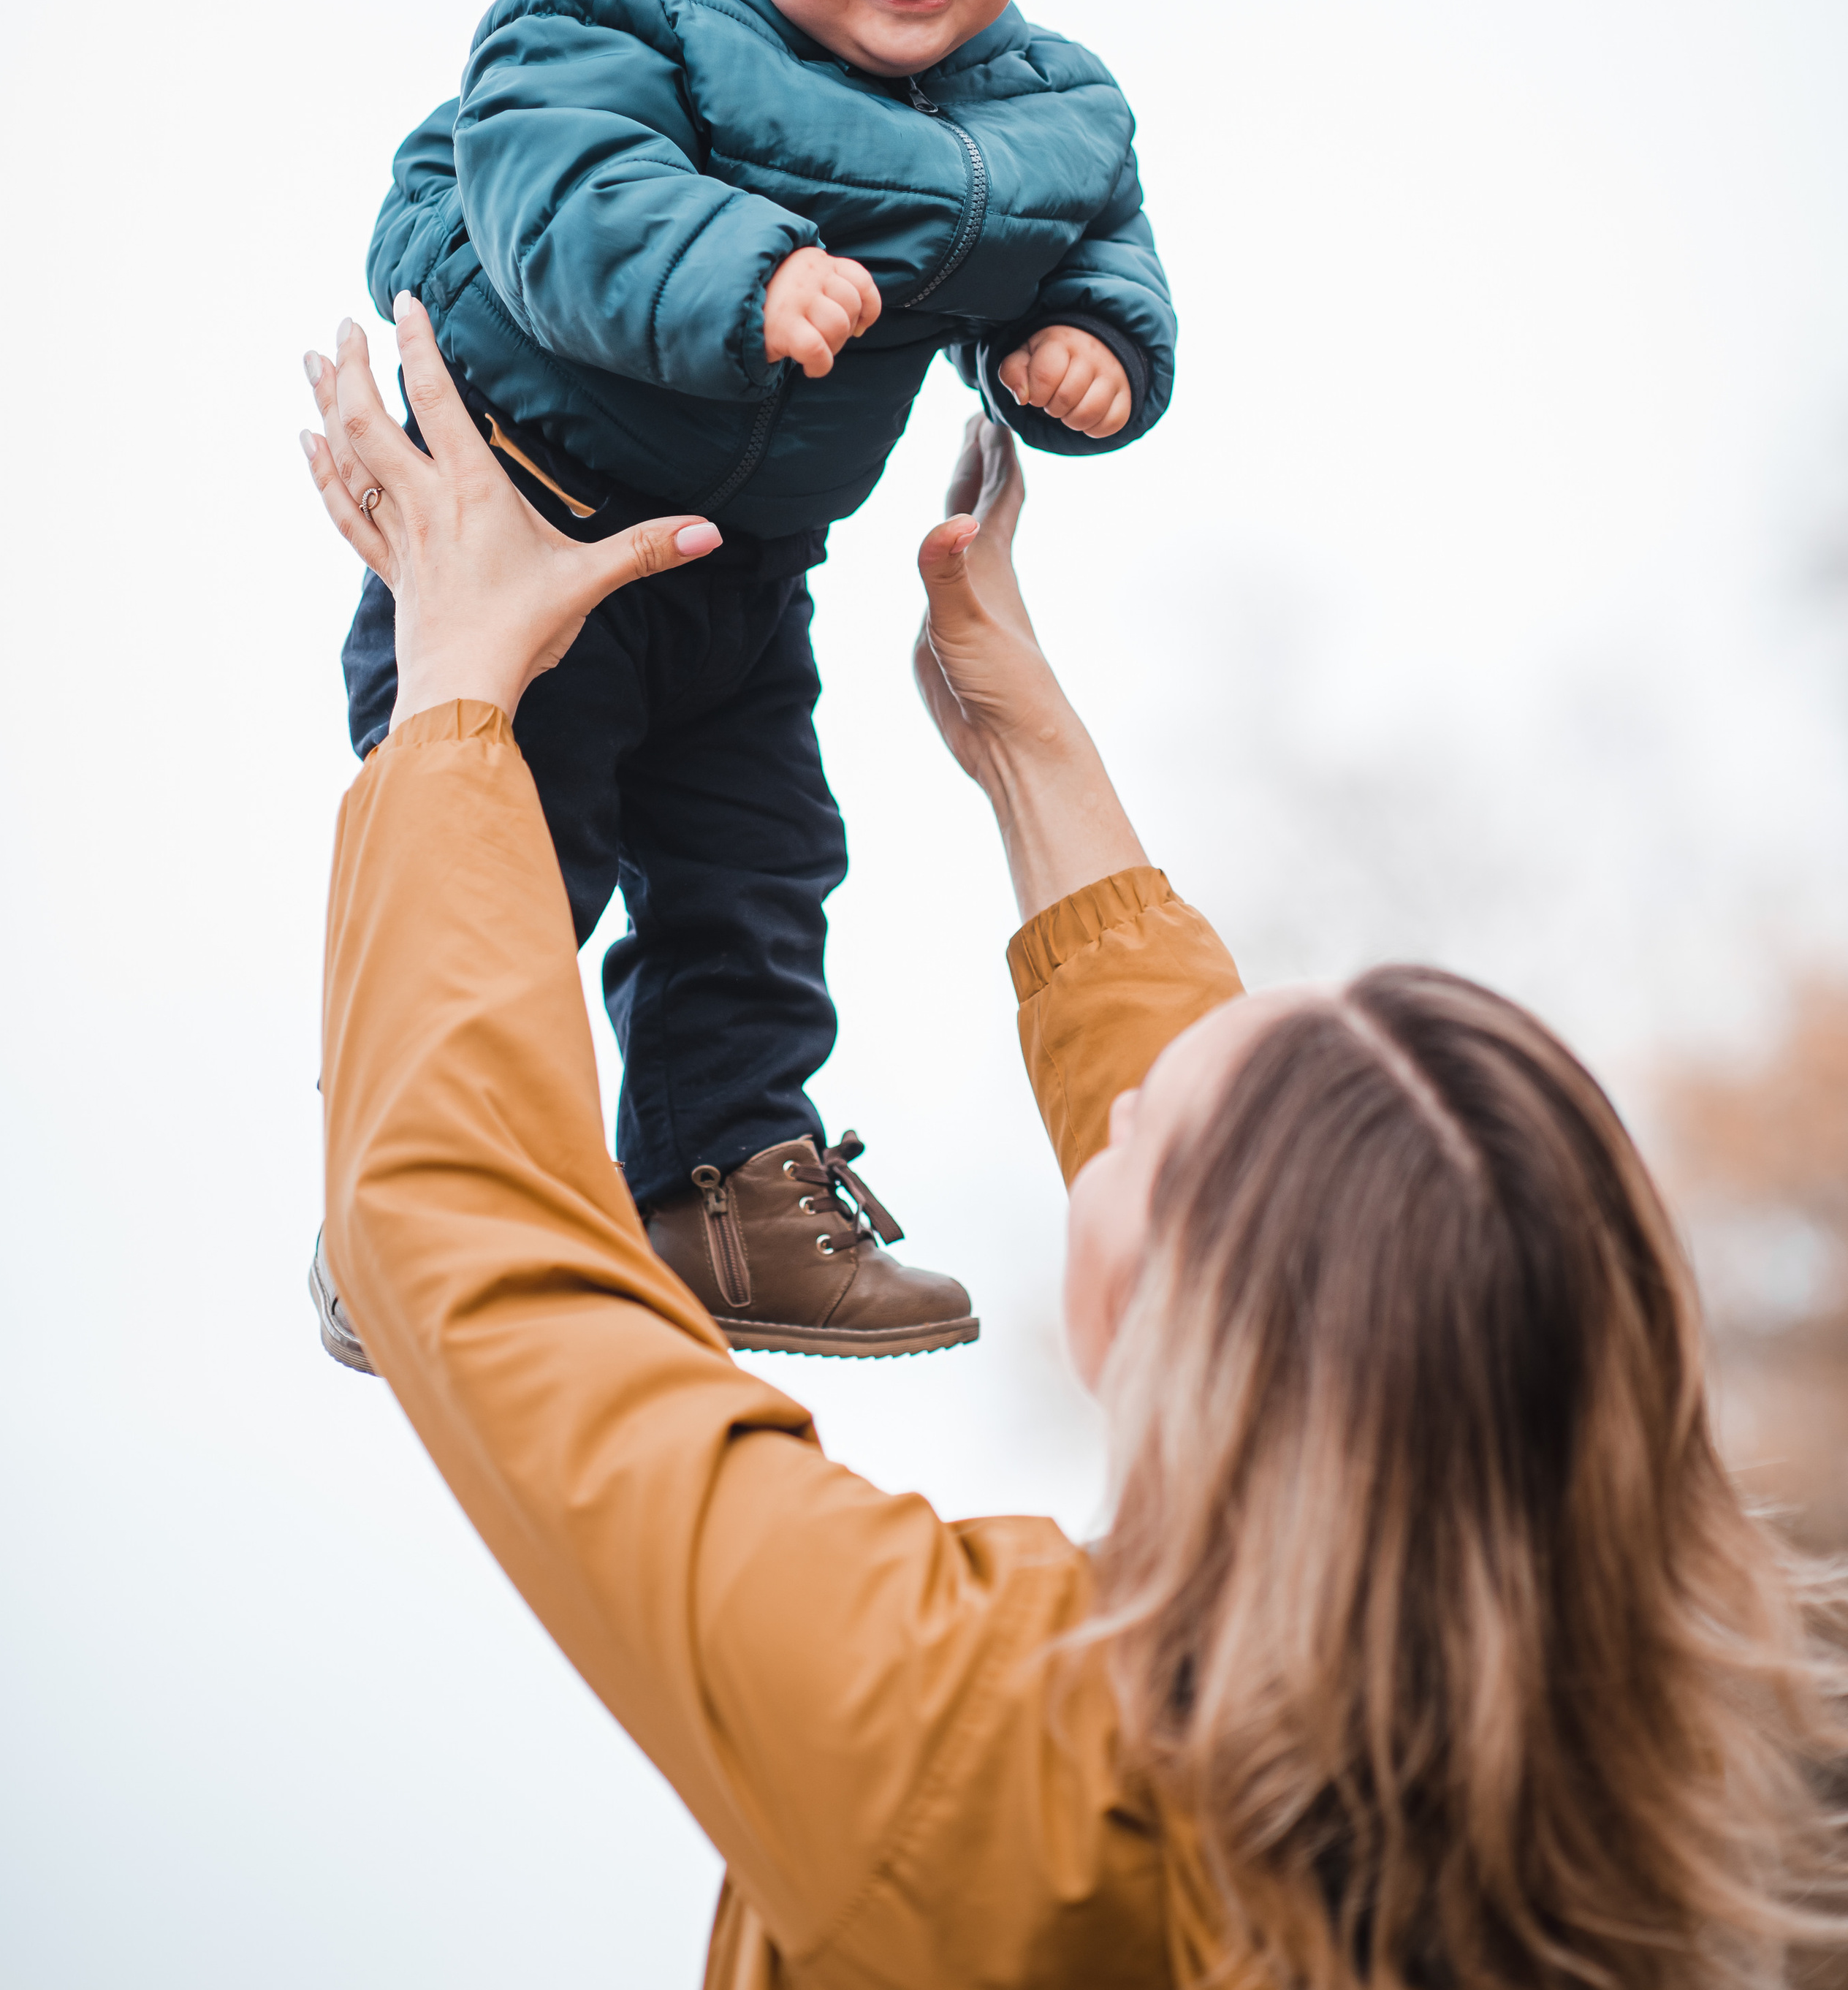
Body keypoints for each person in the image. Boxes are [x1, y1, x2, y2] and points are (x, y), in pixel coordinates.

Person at [304, 296, 1845, 1990]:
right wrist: (1026, 741)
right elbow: (1302, 1217)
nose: (1104, 1118)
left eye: (1138, 1142)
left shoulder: (993, 1769)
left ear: (1206, 1345)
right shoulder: (1737, 1770)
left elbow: (500, 1284)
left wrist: (453, 695)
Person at [330, 0, 1176, 1362]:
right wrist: (739, 271)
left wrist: (1088, 341)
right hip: (520, 531)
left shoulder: (1035, 108)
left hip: (737, 572)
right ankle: (413, 1184)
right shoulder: (613, 8)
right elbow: (558, 185)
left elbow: (1091, 232)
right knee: (504, 857)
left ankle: (725, 1184)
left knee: (762, 871)